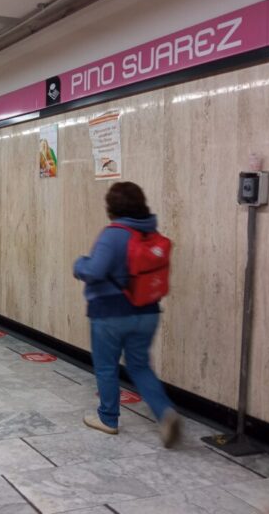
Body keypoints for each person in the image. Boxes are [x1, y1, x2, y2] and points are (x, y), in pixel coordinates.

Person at [73, 181, 180, 447]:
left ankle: (108, 419)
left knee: (107, 366)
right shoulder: (150, 233)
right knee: (140, 366)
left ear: (112, 207)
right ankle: (165, 413)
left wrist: (79, 264)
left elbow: (95, 271)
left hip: (110, 313)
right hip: (147, 311)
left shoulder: (114, 234)